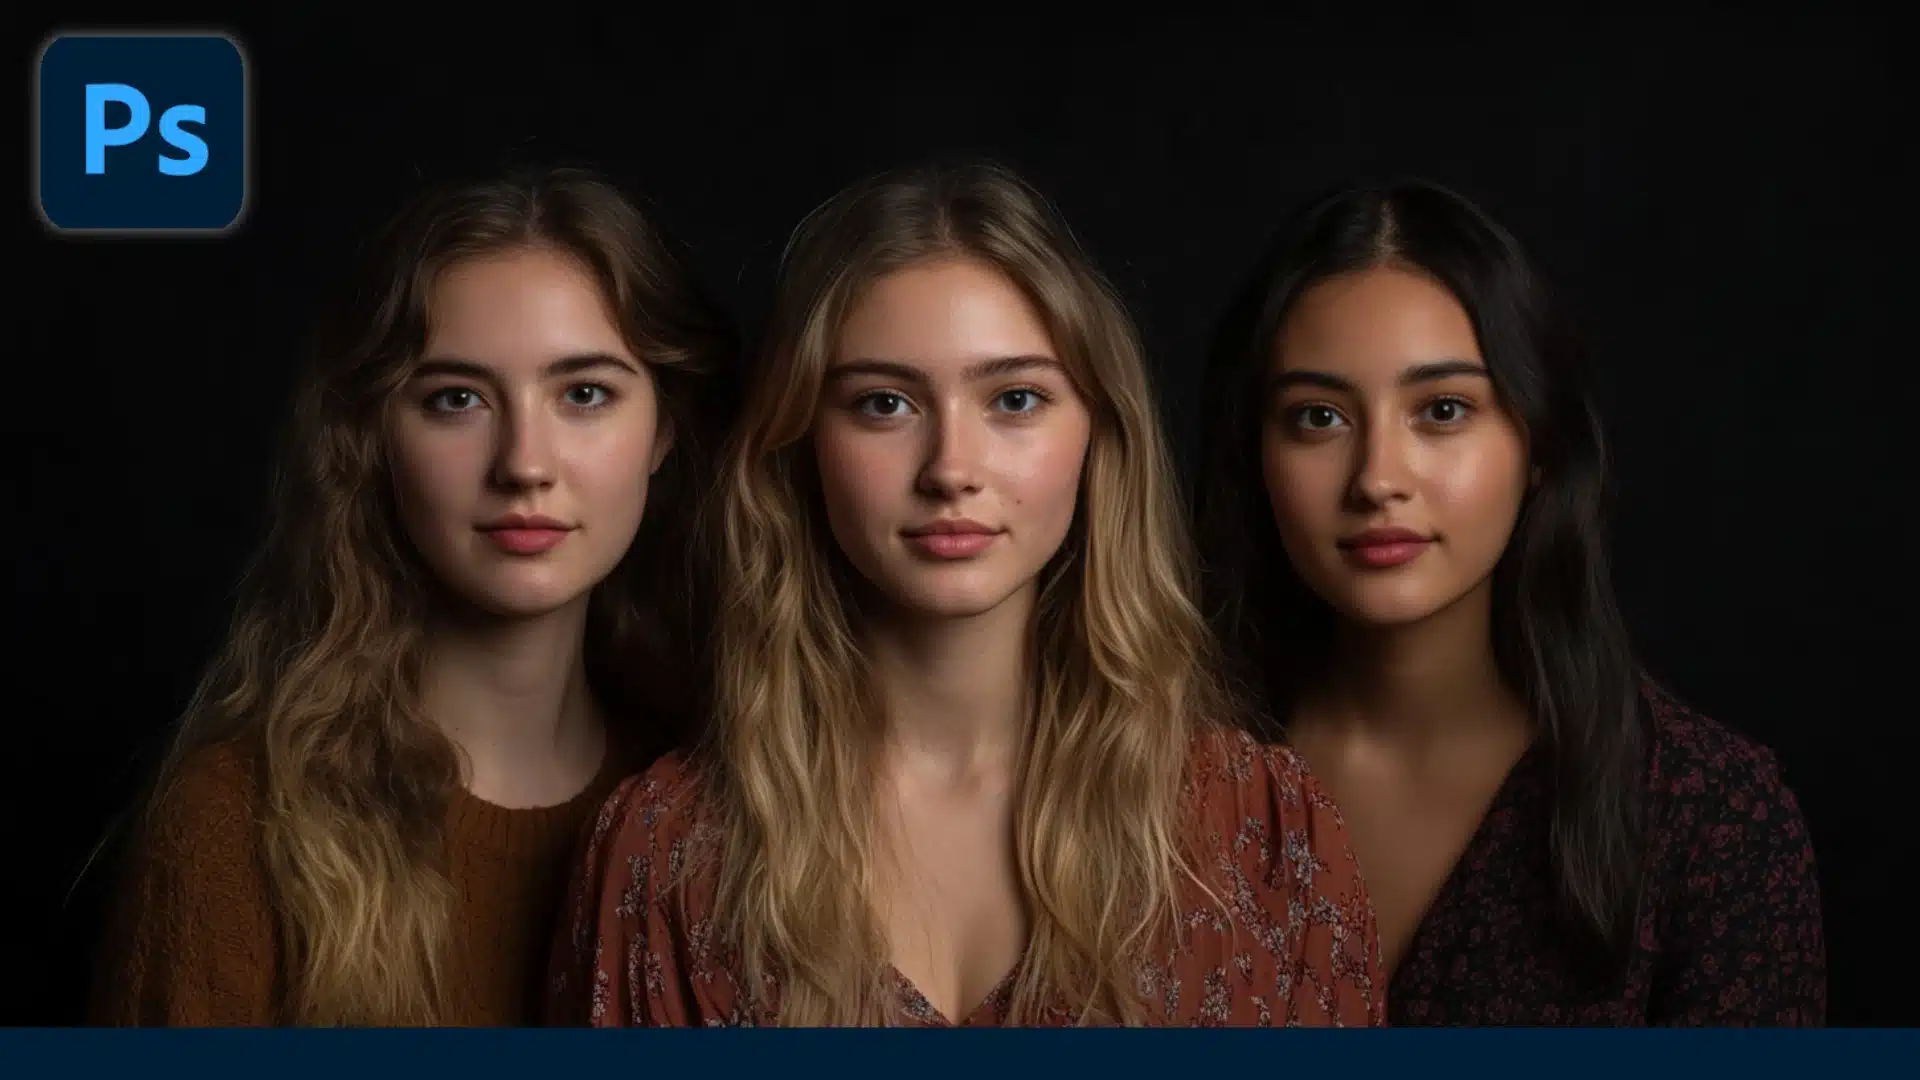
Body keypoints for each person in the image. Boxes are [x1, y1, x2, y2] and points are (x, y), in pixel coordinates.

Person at [547, 160, 1383, 1027]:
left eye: (1015, 399)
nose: (951, 469)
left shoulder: (1266, 829)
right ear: (799, 445)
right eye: (884, 404)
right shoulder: (664, 851)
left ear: (1099, 437)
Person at [90, 165, 732, 1026]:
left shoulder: (712, 800)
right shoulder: (238, 827)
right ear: (374, 439)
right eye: (456, 399)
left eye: (584, 394)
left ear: (662, 434)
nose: (525, 464)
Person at [1194, 179, 1826, 1025]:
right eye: (1318, 418)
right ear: (1254, 455)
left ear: (1537, 445)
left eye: (1443, 411)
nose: (1379, 478)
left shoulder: (1709, 819)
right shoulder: (1148, 782)